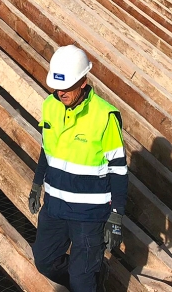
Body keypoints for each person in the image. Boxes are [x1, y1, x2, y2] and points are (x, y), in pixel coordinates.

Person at [29, 45, 128, 292]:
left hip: (89, 214)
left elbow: (118, 169)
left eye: (67, 87)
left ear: (83, 81)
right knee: (45, 262)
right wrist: (36, 183)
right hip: (54, 208)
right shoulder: (50, 106)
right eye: (57, 87)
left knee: (81, 280)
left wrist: (116, 215)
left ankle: (89, 280)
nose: (60, 92)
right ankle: (94, 277)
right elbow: (47, 150)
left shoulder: (105, 116)